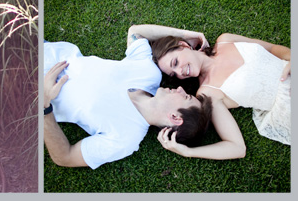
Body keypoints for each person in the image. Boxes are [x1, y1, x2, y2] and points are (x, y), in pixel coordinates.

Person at [43, 27, 212, 169]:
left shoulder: (125, 139)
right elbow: (136, 32)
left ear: (175, 118)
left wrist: (44, 106)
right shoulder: (150, 73)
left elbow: (65, 157)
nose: (181, 88)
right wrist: (185, 35)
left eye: (187, 97)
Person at [132, 24, 290, 159]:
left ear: (184, 45)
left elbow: (272, 48)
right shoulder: (208, 93)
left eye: (176, 62)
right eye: (174, 74)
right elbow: (237, 147)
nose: (180, 72)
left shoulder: (225, 40)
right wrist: (187, 152)